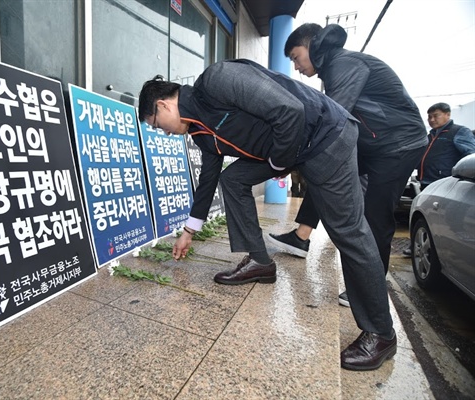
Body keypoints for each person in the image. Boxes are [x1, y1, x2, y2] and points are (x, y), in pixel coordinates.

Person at [138, 59, 396, 371]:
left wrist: (277, 165)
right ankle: (260, 261)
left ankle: (381, 333)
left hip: (325, 135)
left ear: (163, 106)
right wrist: (189, 231)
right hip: (291, 148)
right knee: (232, 179)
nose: (162, 133)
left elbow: (289, 110)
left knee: (348, 232)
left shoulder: (219, 80)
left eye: (155, 125)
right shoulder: (200, 131)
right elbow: (208, 178)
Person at [268, 23, 428, 307]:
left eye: (296, 57)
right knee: (324, 171)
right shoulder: (333, 68)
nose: (296, 66)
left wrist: (288, 155)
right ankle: (301, 237)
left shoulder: (345, 64)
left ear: (313, 45)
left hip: (398, 146)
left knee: (376, 215)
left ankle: (369, 289)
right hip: (375, 143)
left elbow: (332, 116)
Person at [402, 102, 475, 257]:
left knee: (450, 219)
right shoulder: (430, 136)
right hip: (427, 182)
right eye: (429, 117)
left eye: (436, 116)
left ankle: (454, 252)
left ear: (447, 115)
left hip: (446, 183)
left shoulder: (458, 132)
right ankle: (419, 246)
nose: (432, 120)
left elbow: (470, 154)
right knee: (424, 216)